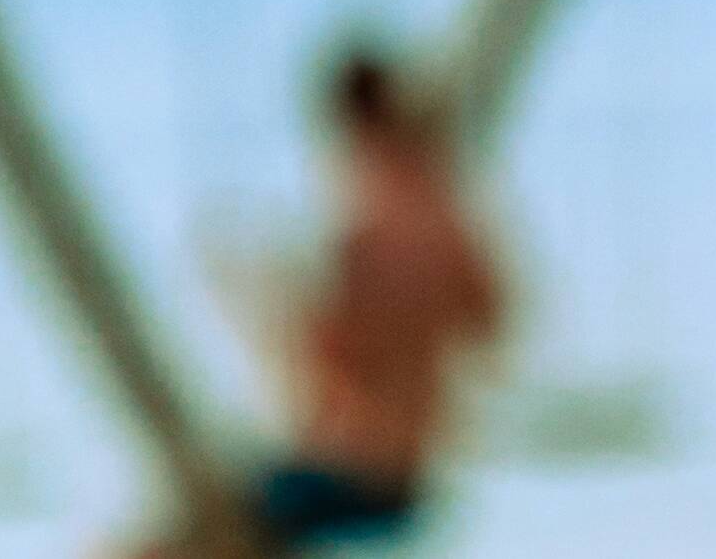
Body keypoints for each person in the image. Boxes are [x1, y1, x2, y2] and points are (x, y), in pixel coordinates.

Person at [152, 40, 506, 554]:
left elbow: (329, 365)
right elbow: (491, 322)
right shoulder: (446, 221)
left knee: (169, 540)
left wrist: (269, 308)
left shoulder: (364, 238)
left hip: (353, 473)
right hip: (411, 473)